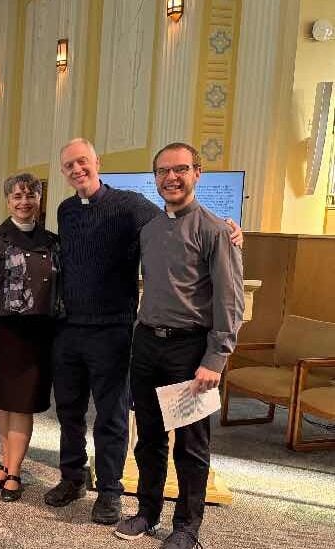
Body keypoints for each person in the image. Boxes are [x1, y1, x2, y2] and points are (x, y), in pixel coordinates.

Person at [47, 138, 241, 524]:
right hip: (74, 329)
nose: (77, 170)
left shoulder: (133, 207)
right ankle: (73, 477)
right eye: (69, 165)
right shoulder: (65, 209)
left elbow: (180, 221)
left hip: (117, 331)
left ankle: (111, 492)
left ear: (97, 161)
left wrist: (231, 231)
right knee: (69, 411)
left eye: (83, 161)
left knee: (113, 416)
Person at [114, 143, 243, 549]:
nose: (172, 177)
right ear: (154, 178)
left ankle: (187, 526)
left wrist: (215, 359)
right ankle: (147, 512)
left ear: (197, 173)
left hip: (190, 352)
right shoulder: (150, 229)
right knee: (149, 437)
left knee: (190, 443)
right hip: (148, 345)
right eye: (163, 171)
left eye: (181, 169)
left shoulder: (215, 231)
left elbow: (229, 300)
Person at [0, 173, 61, 501]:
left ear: (39, 199)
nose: (24, 202)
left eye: (30, 196)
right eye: (17, 196)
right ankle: (6, 463)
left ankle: (15, 471)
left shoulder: (52, 241)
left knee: (21, 404)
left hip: (36, 337)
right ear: (8, 201)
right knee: (1, 402)